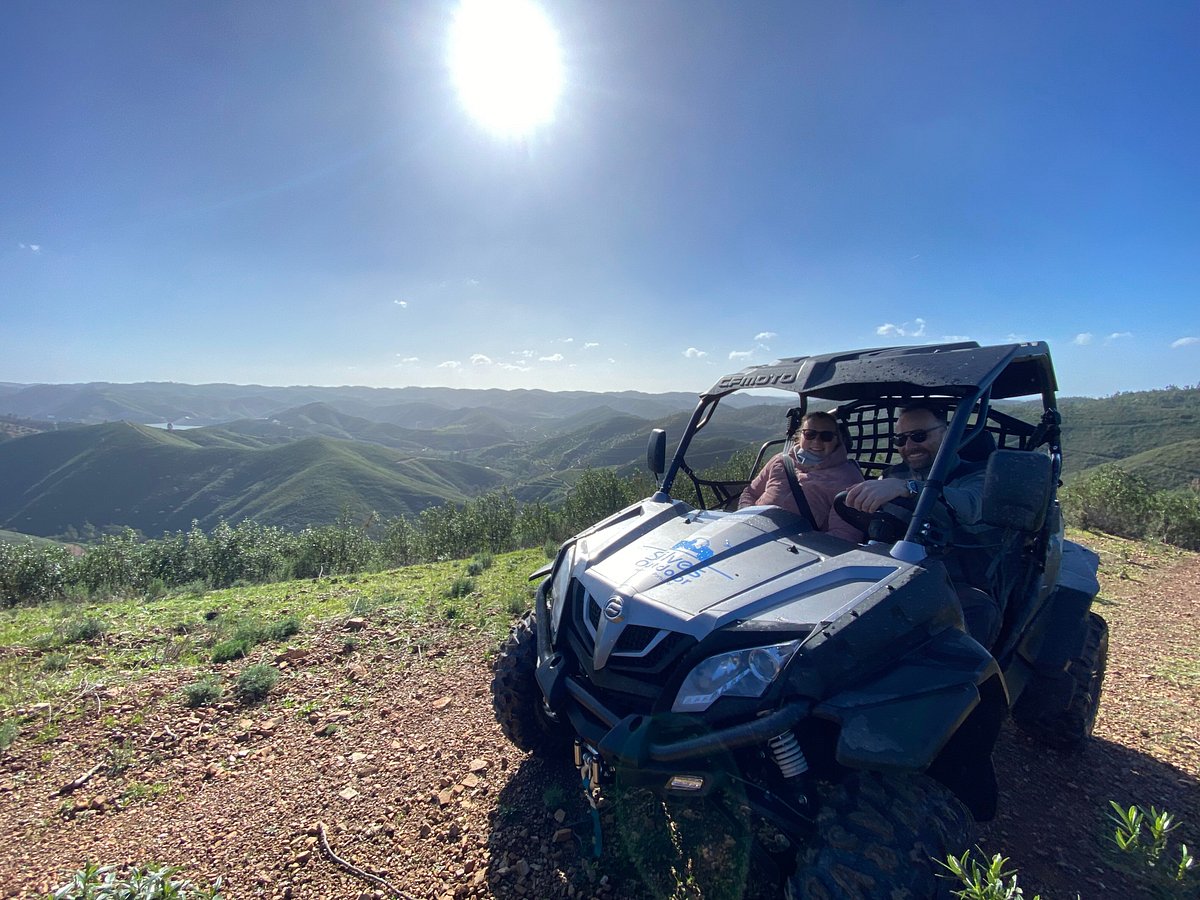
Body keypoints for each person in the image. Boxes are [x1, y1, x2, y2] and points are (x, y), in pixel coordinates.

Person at [842, 402, 1000, 647]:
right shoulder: (895, 475)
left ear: (948, 433)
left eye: (918, 436)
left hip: (958, 578)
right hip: (896, 574)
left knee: (975, 614)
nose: (909, 446)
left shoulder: (979, 476)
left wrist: (908, 490)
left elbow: (971, 506)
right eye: (901, 440)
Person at [738, 411, 865, 542]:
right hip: (751, 532)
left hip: (794, 549)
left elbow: (845, 535)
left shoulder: (848, 479)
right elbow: (750, 493)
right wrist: (743, 520)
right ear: (800, 436)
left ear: (837, 440)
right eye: (810, 434)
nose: (817, 441)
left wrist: (797, 547)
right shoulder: (780, 460)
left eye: (826, 436)